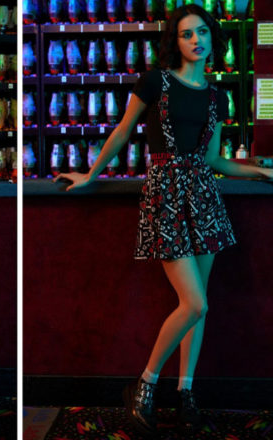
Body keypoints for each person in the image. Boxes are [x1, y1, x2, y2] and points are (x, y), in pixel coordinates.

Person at [55, 4, 273, 436]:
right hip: (166, 195)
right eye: (186, 34)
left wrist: (263, 172)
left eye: (202, 33)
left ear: (213, 39)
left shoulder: (217, 95)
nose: (196, 41)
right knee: (195, 303)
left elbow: (215, 162)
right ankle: (145, 384)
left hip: (204, 197)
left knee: (199, 306)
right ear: (174, 41)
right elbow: (122, 131)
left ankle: (185, 391)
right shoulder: (155, 81)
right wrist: (91, 174)